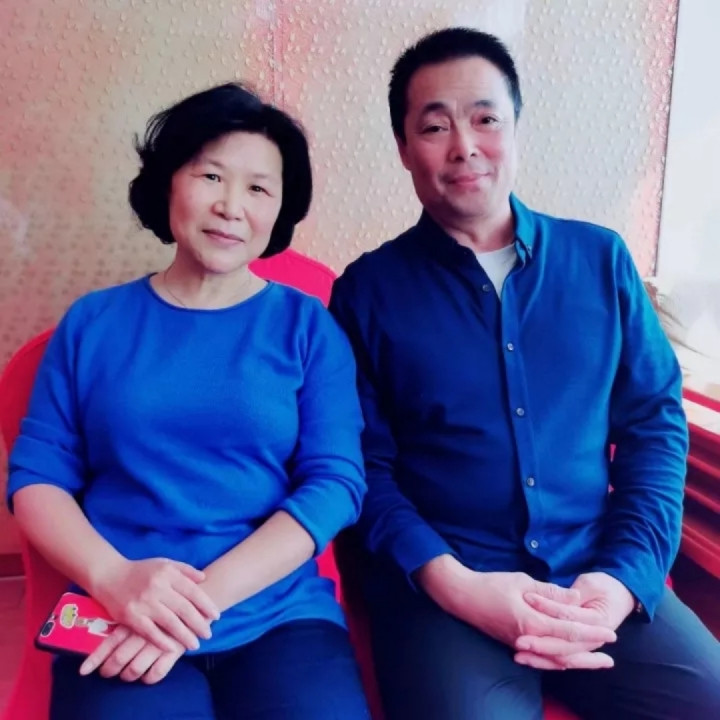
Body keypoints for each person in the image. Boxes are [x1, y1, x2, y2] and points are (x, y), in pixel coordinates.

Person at [329, 27, 720, 720]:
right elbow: (363, 468)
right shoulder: (368, 292)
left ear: (515, 128)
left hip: (594, 575)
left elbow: (654, 427)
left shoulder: (600, 261)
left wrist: (621, 580)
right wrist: (455, 585)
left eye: (485, 119)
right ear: (403, 148)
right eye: (435, 126)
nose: (464, 146)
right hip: (450, 596)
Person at [8, 82, 371, 720]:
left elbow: (335, 483)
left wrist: (196, 604)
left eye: (258, 188)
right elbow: (37, 479)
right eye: (211, 176)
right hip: (119, 608)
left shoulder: (308, 328)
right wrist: (115, 580)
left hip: (277, 615)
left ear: (280, 209)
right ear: (169, 182)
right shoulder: (93, 324)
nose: (231, 207)